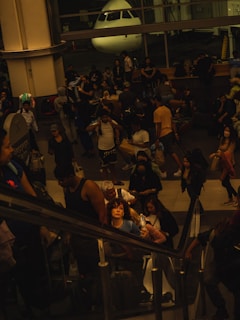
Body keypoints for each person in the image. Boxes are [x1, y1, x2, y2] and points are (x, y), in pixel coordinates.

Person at [0, 128, 50, 319]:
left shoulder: (13, 167)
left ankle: (39, 308)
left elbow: (32, 198)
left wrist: (42, 225)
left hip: (28, 236)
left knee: (35, 276)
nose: (11, 149)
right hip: (7, 247)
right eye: (6, 147)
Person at [184, 218, 230, 320]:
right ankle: (221, 308)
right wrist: (188, 251)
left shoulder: (230, 235)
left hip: (231, 265)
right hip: (220, 264)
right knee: (209, 281)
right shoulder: (213, 234)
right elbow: (199, 239)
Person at [86, 108, 123, 185]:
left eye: (106, 117)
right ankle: (105, 182)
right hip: (102, 148)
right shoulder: (97, 123)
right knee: (104, 167)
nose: (105, 119)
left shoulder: (111, 122)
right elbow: (87, 129)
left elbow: (120, 128)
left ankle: (114, 180)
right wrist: (97, 124)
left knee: (112, 166)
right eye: (103, 117)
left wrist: (112, 124)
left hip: (111, 147)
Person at [152, 94, 182, 177]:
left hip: (163, 133)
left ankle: (180, 167)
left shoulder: (157, 112)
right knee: (165, 153)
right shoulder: (167, 109)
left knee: (168, 152)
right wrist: (175, 133)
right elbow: (172, 122)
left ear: (156, 101)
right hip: (170, 132)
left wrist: (157, 138)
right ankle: (163, 171)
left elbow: (158, 126)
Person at [209, 125, 238, 206]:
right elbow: (219, 149)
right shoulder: (222, 139)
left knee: (225, 182)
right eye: (225, 130)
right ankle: (231, 198)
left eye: (228, 131)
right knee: (225, 182)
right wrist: (217, 153)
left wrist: (216, 154)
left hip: (228, 164)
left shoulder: (232, 142)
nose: (226, 132)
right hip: (222, 163)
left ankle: (236, 197)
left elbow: (228, 153)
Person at [181, 149, 208, 214]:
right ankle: (200, 210)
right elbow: (183, 179)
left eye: (187, 161)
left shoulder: (196, 169)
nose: (185, 163)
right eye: (184, 161)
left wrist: (198, 190)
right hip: (189, 186)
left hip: (194, 186)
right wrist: (183, 187)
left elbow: (200, 180)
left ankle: (195, 210)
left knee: (194, 198)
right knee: (194, 199)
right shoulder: (184, 168)